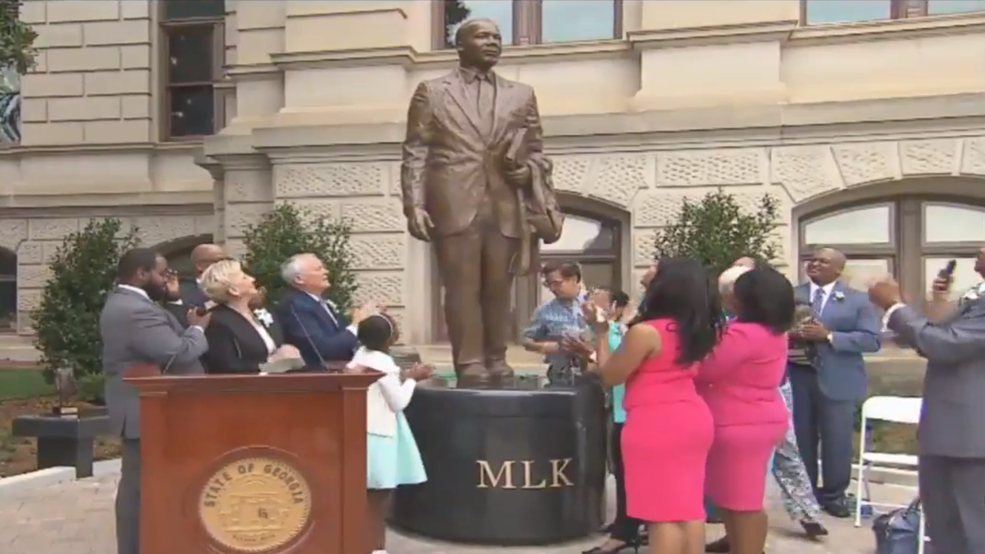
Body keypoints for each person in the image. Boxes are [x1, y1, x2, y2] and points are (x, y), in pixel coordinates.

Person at [401, 17, 554, 386]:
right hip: (454, 202)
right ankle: (469, 362)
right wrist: (415, 204)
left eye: (497, 37)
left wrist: (527, 172)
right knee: (462, 287)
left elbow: (537, 151)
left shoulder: (522, 94)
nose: (492, 42)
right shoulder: (432, 91)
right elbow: (416, 151)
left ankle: (496, 358)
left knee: (498, 289)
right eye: (483, 36)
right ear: (460, 46)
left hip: (504, 204)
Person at [585, 258, 723, 554]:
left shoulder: (647, 332)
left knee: (661, 513)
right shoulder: (697, 329)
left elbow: (611, 375)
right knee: (688, 508)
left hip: (656, 422)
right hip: (692, 418)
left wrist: (600, 333)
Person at [868, 251, 985, 554]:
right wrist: (938, 305)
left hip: (972, 442)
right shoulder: (974, 299)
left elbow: (945, 344)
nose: (979, 250)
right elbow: (938, 338)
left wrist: (894, 307)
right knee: (946, 532)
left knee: (973, 533)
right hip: (950, 434)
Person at [100, 248, 210, 554]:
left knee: (144, 486)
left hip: (150, 410)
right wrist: (197, 330)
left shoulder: (135, 304)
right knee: (139, 489)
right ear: (141, 274)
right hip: (145, 411)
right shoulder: (134, 309)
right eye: (161, 273)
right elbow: (176, 353)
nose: (166, 280)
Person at [697, 267, 793, 554]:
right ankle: (737, 543)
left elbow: (705, 369)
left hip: (740, 423)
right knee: (731, 496)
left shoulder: (744, 334)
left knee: (743, 501)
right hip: (755, 419)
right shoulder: (771, 330)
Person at [790, 247, 880, 517]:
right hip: (798, 375)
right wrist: (793, 333)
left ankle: (834, 495)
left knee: (837, 439)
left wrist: (829, 336)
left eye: (823, 261)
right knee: (801, 438)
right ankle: (804, 496)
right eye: (812, 260)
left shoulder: (858, 301)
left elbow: (871, 340)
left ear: (838, 270)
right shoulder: (793, 296)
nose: (815, 264)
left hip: (838, 377)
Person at [346, 313, 432, 554]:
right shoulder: (384, 365)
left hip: (360, 427)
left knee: (362, 494)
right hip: (378, 432)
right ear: (390, 339)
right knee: (379, 495)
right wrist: (413, 379)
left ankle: (360, 542)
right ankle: (376, 547)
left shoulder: (360, 357)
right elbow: (398, 402)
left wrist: (403, 376)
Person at [577, 290, 644, 554]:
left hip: (631, 412)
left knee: (629, 474)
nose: (590, 305)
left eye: (598, 302)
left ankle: (627, 531)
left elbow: (609, 370)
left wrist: (601, 338)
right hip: (620, 409)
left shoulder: (630, 332)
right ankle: (627, 525)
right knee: (622, 472)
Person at [198, 259, 301, 374]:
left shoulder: (259, 311)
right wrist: (272, 363)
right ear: (234, 290)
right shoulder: (217, 321)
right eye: (244, 277)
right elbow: (227, 367)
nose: (252, 279)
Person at [276, 253, 376, 368]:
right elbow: (322, 348)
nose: (326, 272)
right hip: (317, 377)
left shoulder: (320, 302)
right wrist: (356, 325)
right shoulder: (295, 306)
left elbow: (338, 335)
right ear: (299, 279)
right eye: (319, 269)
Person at [522, 262, 588, 386]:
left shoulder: (595, 303)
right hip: (561, 376)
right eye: (549, 284)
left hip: (595, 372)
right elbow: (527, 340)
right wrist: (543, 347)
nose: (552, 289)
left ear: (573, 279)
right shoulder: (544, 310)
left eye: (557, 283)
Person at [164, 243, 225, 325]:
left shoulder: (235, 288)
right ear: (200, 266)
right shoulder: (182, 291)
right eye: (219, 261)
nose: (225, 265)